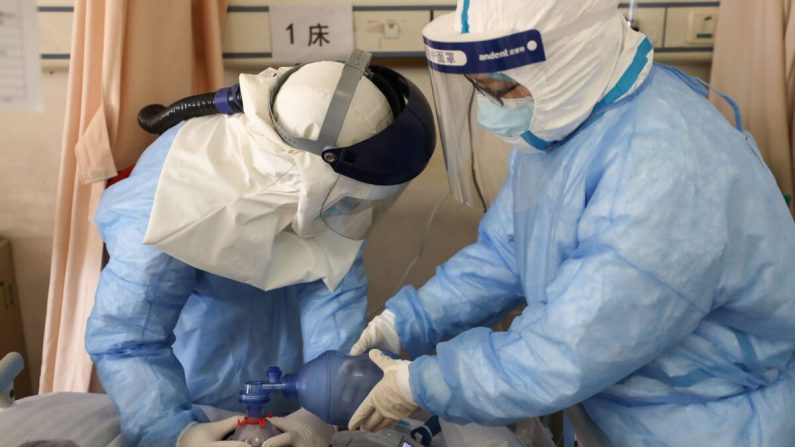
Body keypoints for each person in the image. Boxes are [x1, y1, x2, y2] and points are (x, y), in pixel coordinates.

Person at [347, 1, 795, 445]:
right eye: (477, 88)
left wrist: (420, 384)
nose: (488, 109)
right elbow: (507, 252)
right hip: (620, 409)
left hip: (708, 425)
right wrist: (405, 323)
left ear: (566, 62)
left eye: (499, 90)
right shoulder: (567, 125)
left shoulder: (667, 171)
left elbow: (564, 353)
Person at [85, 50, 435, 447]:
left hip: (297, 396)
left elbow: (333, 289)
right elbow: (127, 335)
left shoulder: (326, 183)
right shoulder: (169, 198)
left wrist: (321, 415)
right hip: (192, 393)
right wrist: (173, 432)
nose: (354, 209)